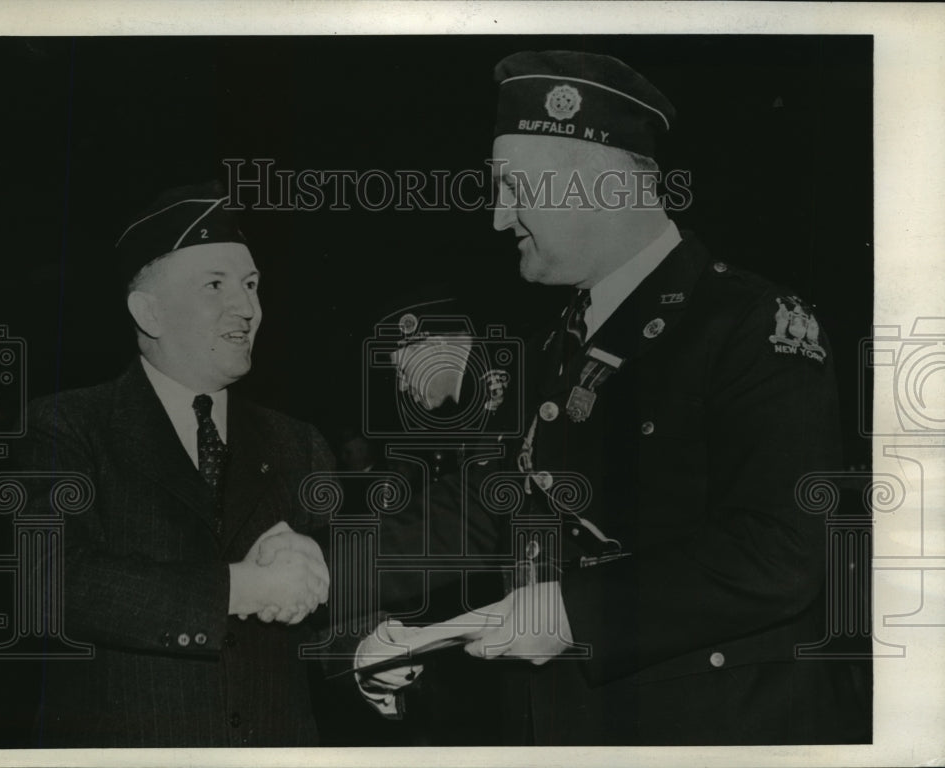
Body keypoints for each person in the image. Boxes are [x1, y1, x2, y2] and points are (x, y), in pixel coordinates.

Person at [354, 51, 870, 745]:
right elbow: (486, 511)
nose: (499, 218)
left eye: (512, 189)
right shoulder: (557, 345)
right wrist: (307, 565)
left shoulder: (748, 326)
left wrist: (572, 613)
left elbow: (783, 550)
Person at [16, 181, 333, 747]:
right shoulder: (69, 428)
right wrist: (238, 587)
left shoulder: (297, 443)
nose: (246, 308)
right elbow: (49, 581)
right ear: (149, 311)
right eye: (215, 285)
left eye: (252, 285)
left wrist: (373, 660)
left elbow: (330, 614)